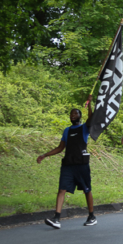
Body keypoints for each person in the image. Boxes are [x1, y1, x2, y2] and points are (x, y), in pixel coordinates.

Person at [39, 98, 96, 229]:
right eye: (71, 114)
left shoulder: (84, 129)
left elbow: (91, 120)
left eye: (75, 113)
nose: (73, 116)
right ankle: (56, 218)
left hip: (81, 165)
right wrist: (45, 155)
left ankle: (91, 216)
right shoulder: (67, 130)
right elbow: (60, 148)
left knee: (87, 190)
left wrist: (89, 105)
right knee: (61, 189)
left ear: (80, 116)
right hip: (68, 165)